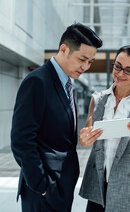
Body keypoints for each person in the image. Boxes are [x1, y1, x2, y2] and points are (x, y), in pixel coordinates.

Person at [11, 22, 102, 212]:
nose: (85, 66)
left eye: (90, 62)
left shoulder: (67, 83)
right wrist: (42, 186)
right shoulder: (37, 81)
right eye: (82, 59)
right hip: (43, 191)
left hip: (60, 187)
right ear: (64, 49)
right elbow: (22, 140)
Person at [79, 45, 130, 212]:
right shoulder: (98, 100)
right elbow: (86, 136)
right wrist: (84, 139)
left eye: (129, 70)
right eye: (118, 66)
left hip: (127, 186)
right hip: (98, 184)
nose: (120, 74)